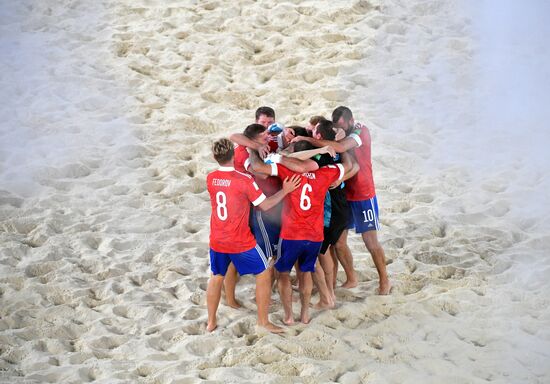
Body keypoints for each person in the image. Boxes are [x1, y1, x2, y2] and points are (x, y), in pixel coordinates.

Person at [248, 143, 352, 324]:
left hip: (291, 235)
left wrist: (251, 149)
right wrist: (343, 149)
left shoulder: (287, 171)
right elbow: (349, 166)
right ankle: (304, 314)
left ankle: (288, 316)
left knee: (283, 274)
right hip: (314, 236)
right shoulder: (326, 173)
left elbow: (257, 167)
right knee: (306, 273)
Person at [292, 106, 391, 295]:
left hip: (363, 193)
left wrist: (307, 139)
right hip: (344, 193)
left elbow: (339, 148)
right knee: (338, 243)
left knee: (370, 242)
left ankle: (384, 280)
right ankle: (351, 278)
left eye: (341, 126)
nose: (339, 129)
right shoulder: (342, 131)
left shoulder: (361, 131)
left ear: (350, 121)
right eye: (336, 126)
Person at [206, 138, 301, 333]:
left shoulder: (211, 178)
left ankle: (211, 322)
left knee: (216, 276)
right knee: (264, 273)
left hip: (217, 239)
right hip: (239, 240)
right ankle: (263, 321)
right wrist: (286, 190)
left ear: (215, 157)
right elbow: (265, 205)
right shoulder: (244, 180)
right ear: (233, 154)